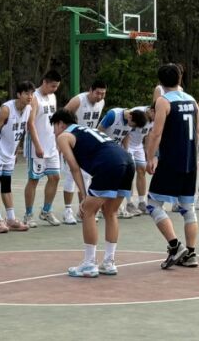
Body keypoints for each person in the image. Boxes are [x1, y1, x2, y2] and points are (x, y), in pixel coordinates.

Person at [53, 109, 136, 277]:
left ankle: (89, 264)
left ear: (60, 124)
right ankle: (109, 262)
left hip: (110, 163)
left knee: (88, 211)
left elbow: (74, 168)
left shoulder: (64, 137)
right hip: (127, 161)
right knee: (111, 212)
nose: (54, 131)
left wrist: (84, 197)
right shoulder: (86, 130)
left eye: (54, 127)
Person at [144, 63, 199, 270]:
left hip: (171, 160)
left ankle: (175, 246)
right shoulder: (192, 100)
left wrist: (151, 157)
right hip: (190, 162)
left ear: (160, 82)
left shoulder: (163, 101)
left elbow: (156, 133)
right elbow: (198, 132)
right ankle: (191, 253)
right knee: (188, 208)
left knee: (152, 204)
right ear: (180, 78)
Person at [0, 80, 34, 233]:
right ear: (19, 94)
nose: (30, 96)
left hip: (10, 154)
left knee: (7, 184)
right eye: (26, 93)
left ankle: (11, 219)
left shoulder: (28, 109)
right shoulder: (7, 109)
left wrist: (15, 152)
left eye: (31, 94)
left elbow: (20, 132)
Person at [60, 79, 107, 224]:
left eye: (103, 94)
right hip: (72, 141)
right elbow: (61, 118)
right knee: (70, 177)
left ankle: (83, 209)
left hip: (87, 143)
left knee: (86, 177)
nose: (100, 96)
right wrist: (61, 142)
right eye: (97, 93)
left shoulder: (101, 103)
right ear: (90, 90)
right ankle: (67, 211)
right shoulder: (78, 101)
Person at [23, 70, 64, 227]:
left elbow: (54, 121)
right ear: (44, 82)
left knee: (55, 177)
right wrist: (38, 145)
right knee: (34, 179)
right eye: (52, 86)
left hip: (51, 145)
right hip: (37, 146)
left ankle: (46, 211)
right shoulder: (34, 97)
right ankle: (28, 215)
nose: (55, 89)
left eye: (57, 86)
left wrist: (58, 141)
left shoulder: (52, 97)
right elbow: (30, 123)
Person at [97, 106, 149, 218]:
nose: (133, 127)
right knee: (107, 179)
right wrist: (101, 149)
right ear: (130, 117)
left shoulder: (130, 122)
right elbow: (98, 131)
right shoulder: (113, 115)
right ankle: (106, 208)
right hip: (104, 149)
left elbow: (126, 135)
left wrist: (126, 151)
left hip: (115, 149)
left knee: (118, 177)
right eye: (133, 125)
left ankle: (112, 207)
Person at [124, 105, 155, 216]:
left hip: (138, 146)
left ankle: (142, 202)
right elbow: (125, 131)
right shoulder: (135, 113)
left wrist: (147, 152)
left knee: (142, 170)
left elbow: (149, 135)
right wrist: (126, 150)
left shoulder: (155, 119)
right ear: (151, 110)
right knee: (130, 173)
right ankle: (129, 203)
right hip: (127, 145)